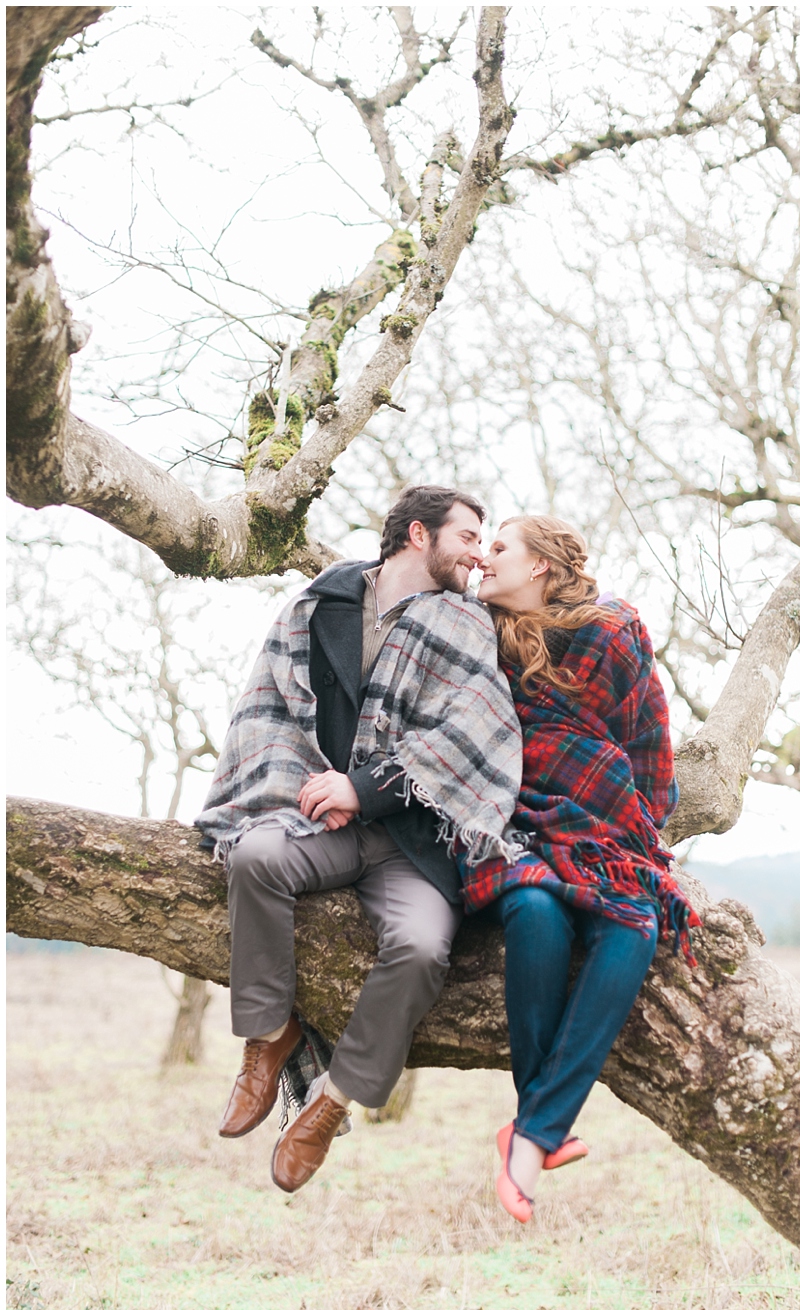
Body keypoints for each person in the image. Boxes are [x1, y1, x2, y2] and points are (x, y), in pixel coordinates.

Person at [195, 485, 522, 1193]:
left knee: (422, 946)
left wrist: (364, 790)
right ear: (416, 535)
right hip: (321, 821)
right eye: (468, 536)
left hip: (414, 839)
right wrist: (312, 789)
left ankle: (330, 1100)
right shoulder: (324, 602)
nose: (478, 554)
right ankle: (266, 1039)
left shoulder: (466, 622)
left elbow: (468, 734)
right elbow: (270, 709)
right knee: (254, 854)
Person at [461, 515, 697, 1223]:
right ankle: (539, 1130)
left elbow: (648, 729)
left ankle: (529, 1129)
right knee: (533, 911)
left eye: (497, 548)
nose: (482, 560)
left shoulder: (613, 629)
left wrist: (642, 824)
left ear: (539, 564)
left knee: (633, 924)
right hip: (513, 815)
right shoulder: (474, 637)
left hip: (600, 812)